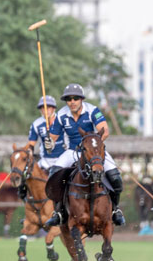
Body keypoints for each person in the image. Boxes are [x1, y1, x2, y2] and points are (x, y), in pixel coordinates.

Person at [43, 83, 125, 227]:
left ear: (81, 99)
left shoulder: (93, 111)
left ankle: (115, 210)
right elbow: (53, 137)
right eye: (69, 99)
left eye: (75, 98)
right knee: (54, 174)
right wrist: (49, 143)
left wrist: (92, 147)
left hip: (94, 152)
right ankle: (58, 212)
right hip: (72, 151)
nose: (72, 102)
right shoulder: (61, 115)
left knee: (115, 177)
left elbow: (104, 131)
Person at [19, 95, 66, 199]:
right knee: (25, 174)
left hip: (63, 159)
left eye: (48, 107)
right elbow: (31, 144)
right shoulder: (36, 124)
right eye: (42, 108)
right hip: (45, 161)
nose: (45, 111)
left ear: (53, 108)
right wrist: (29, 153)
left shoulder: (63, 120)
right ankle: (27, 198)